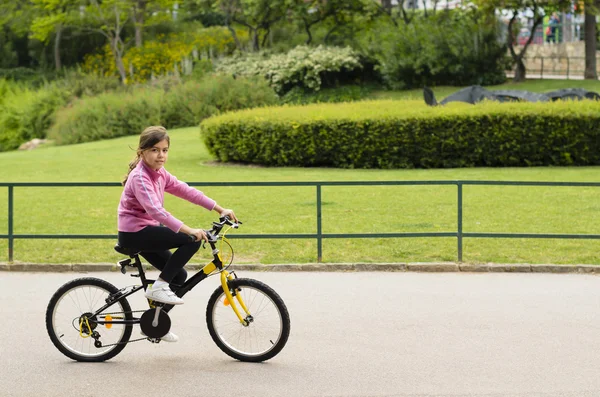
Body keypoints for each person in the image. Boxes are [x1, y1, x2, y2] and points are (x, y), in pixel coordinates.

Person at [117, 126, 238, 342]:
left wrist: (219, 209)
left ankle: (155, 325)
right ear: (142, 152)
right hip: (135, 233)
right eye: (155, 150)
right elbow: (156, 211)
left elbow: (186, 190)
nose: (161, 155)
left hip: (146, 232)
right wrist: (189, 230)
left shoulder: (159, 174)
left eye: (165, 150)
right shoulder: (140, 177)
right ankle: (160, 287)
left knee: (179, 276)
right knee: (191, 240)